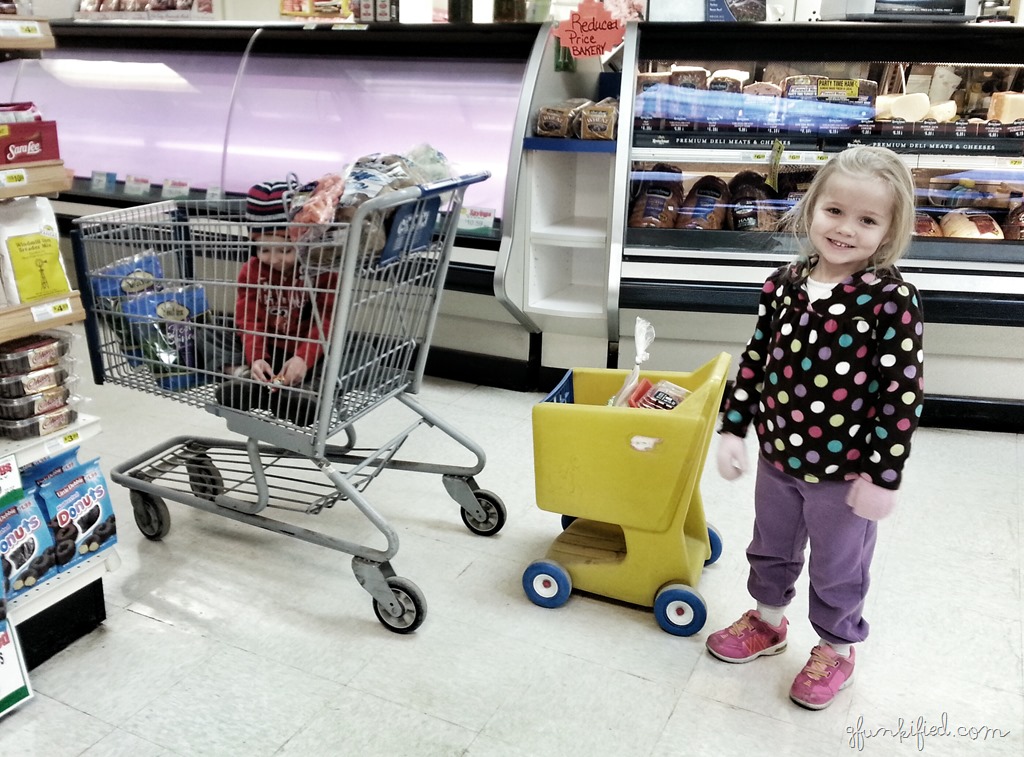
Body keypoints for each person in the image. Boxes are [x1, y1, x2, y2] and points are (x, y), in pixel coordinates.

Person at [706, 145, 925, 711]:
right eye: (834, 211)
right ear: (811, 208)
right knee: (771, 546)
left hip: (845, 473)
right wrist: (733, 429)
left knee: (838, 565)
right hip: (778, 456)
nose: (846, 229)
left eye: (867, 220)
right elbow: (756, 360)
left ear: (891, 229)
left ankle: (836, 648)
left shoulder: (891, 301)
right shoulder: (783, 284)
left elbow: (900, 395)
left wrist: (883, 476)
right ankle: (768, 620)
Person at [215, 180, 338, 427]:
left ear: (301, 240)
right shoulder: (251, 271)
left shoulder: (321, 270)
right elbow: (249, 319)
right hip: (269, 348)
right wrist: (257, 357)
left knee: (355, 352)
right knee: (209, 333)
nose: (274, 259)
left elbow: (327, 319)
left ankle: (298, 392)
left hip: (307, 349)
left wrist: (303, 358)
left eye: (285, 250)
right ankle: (253, 378)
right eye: (264, 250)